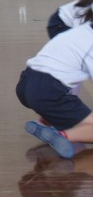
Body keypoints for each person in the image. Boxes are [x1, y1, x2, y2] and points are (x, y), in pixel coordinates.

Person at [16, 23, 93, 159]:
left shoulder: (80, 30)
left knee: (66, 95)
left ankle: (44, 124)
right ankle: (61, 136)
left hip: (26, 82)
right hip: (48, 91)